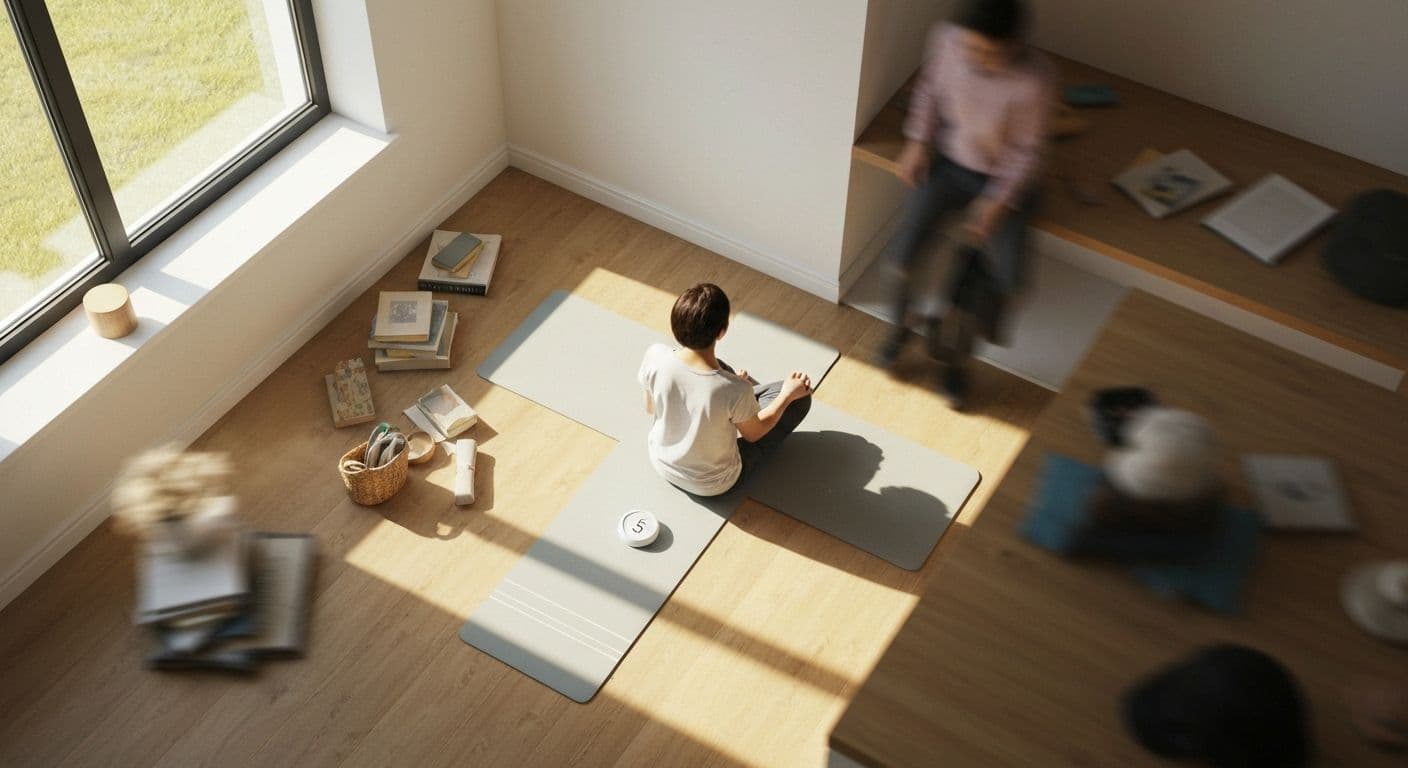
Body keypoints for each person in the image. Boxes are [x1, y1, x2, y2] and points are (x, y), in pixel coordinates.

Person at [878, 0, 1054, 409]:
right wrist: (917, 142)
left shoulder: (1034, 80)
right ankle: (899, 331)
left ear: (1014, 46)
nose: (979, 60)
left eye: (991, 54)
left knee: (1010, 281)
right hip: (950, 165)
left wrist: (996, 203)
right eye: (973, 49)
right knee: (901, 261)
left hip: (1004, 181)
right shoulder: (947, 39)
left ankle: (954, 352)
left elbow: (1026, 154)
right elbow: (927, 94)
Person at [638, 283, 812, 497]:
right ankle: (745, 408)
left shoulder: (655, 355)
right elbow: (753, 435)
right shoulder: (734, 389)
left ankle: (738, 409)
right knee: (799, 400)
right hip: (714, 484)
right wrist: (787, 395)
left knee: (725, 374)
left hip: (661, 460)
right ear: (721, 332)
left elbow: (650, 408)